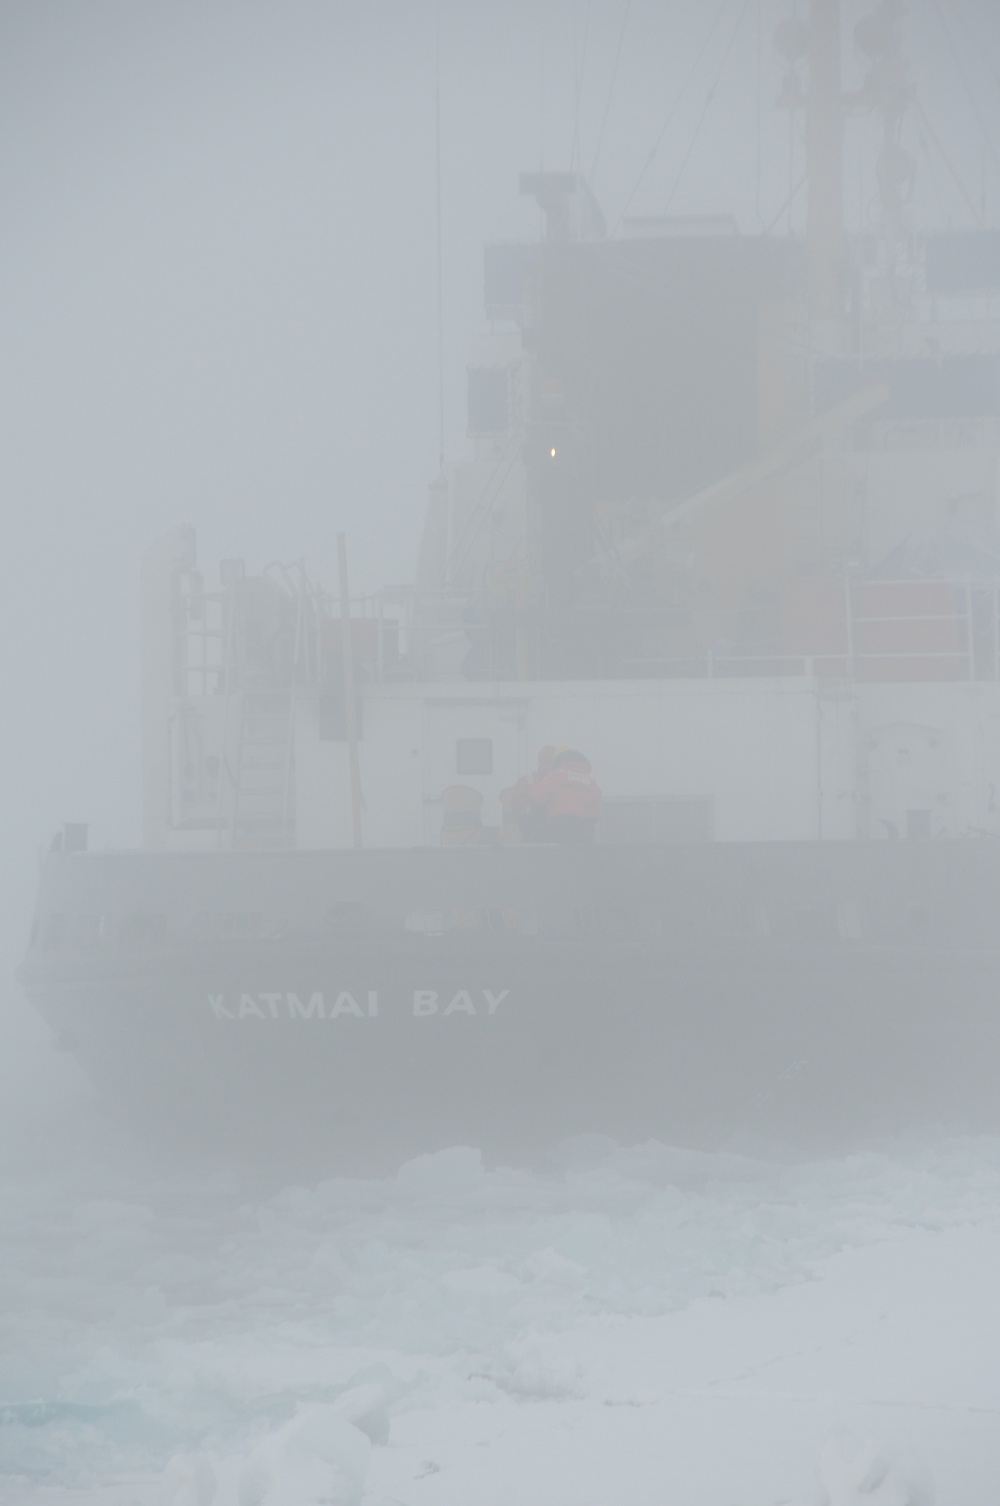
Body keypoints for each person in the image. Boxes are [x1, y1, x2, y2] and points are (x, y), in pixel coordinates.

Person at [527, 746, 602, 843]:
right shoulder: (592, 782)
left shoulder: (556, 775)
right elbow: (597, 810)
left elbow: (535, 796)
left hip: (560, 826)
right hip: (586, 830)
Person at [500, 745, 556, 844]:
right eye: (543, 761)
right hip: (533, 832)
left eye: (548, 761)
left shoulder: (558, 782)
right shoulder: (527, 781)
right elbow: (518, 806)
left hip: (553, 832)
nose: (545, 765)